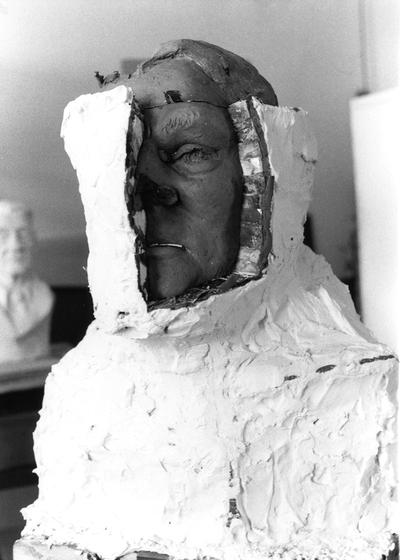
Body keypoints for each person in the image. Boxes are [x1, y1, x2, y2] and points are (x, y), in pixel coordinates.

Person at [0, 200, 53, 362]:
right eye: (2, 235)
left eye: (23, 233)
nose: (15, 245)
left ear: (34, 239)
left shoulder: (43, 294)